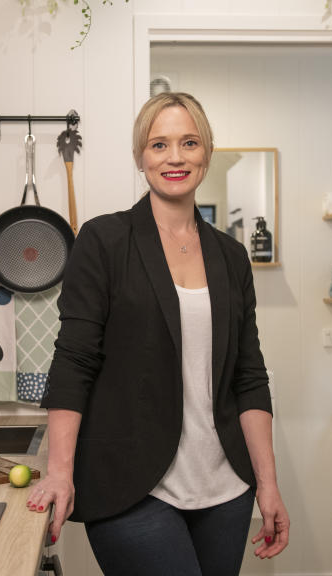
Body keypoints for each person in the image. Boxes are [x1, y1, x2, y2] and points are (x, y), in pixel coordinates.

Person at [29, 92, 289, 575]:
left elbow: (250, 376)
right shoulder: (104, 241)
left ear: (206, 153)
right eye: (159, 144)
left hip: (226, 488)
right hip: (130, 485)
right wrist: (60, 472)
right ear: (140, 157)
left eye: (189, 142)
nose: (174, 157)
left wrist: (268, 483)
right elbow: (74, 361)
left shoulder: (231, 257)